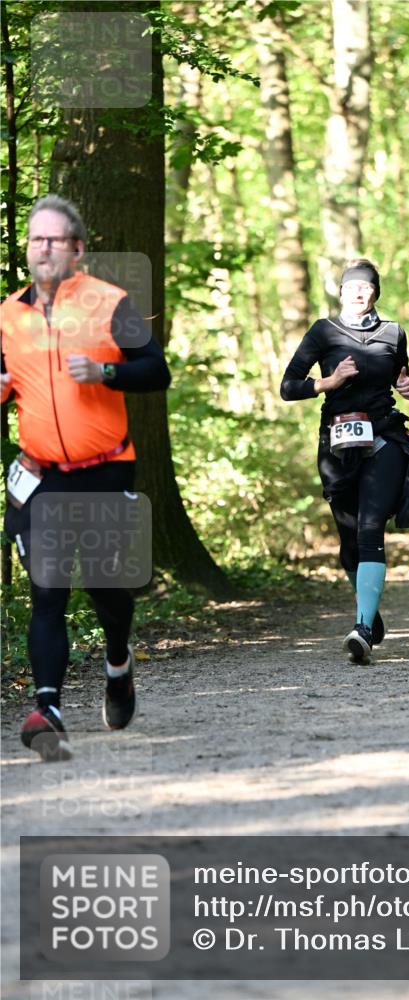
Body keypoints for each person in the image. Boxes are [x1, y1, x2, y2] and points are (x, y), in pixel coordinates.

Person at [1, 194, 171, 761]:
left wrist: (105, 372)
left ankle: (118, 662)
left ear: (77, 249)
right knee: (47, 590)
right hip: (41, 475)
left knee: (105, 587)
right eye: (35, 240)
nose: (43, 249)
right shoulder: (8, 316)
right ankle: (47, 709)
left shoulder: (108, 302)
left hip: (104, 468)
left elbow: (156, 370)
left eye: (54, 240)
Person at [280, 258, 409, 664]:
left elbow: (401, 377)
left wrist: (406, 386)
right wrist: (329, 381)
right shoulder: (323, 331)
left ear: (375, 292)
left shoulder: (393, 332)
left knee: (370, 527)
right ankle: (368, 609)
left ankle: (362, 628)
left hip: (384, 436)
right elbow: (288, 387)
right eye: (352, 287)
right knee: (349, 540)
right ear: (341, 292)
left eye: (366, 287)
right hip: (337, 441)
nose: (359, 292)